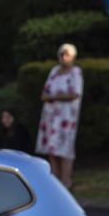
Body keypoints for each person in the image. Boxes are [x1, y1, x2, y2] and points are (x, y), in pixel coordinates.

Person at [34, 44, 83, 188]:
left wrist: (56, 97)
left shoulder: (75, 72)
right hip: (50, 116)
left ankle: (66, 180)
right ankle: (54, 181)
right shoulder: (54, 71)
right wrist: (58, 96)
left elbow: (74, 93)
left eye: (67, 54)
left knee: (65, 148)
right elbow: (44, 94)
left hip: (66, 117)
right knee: (52, 149)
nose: (63, 57)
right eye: (61, 54)